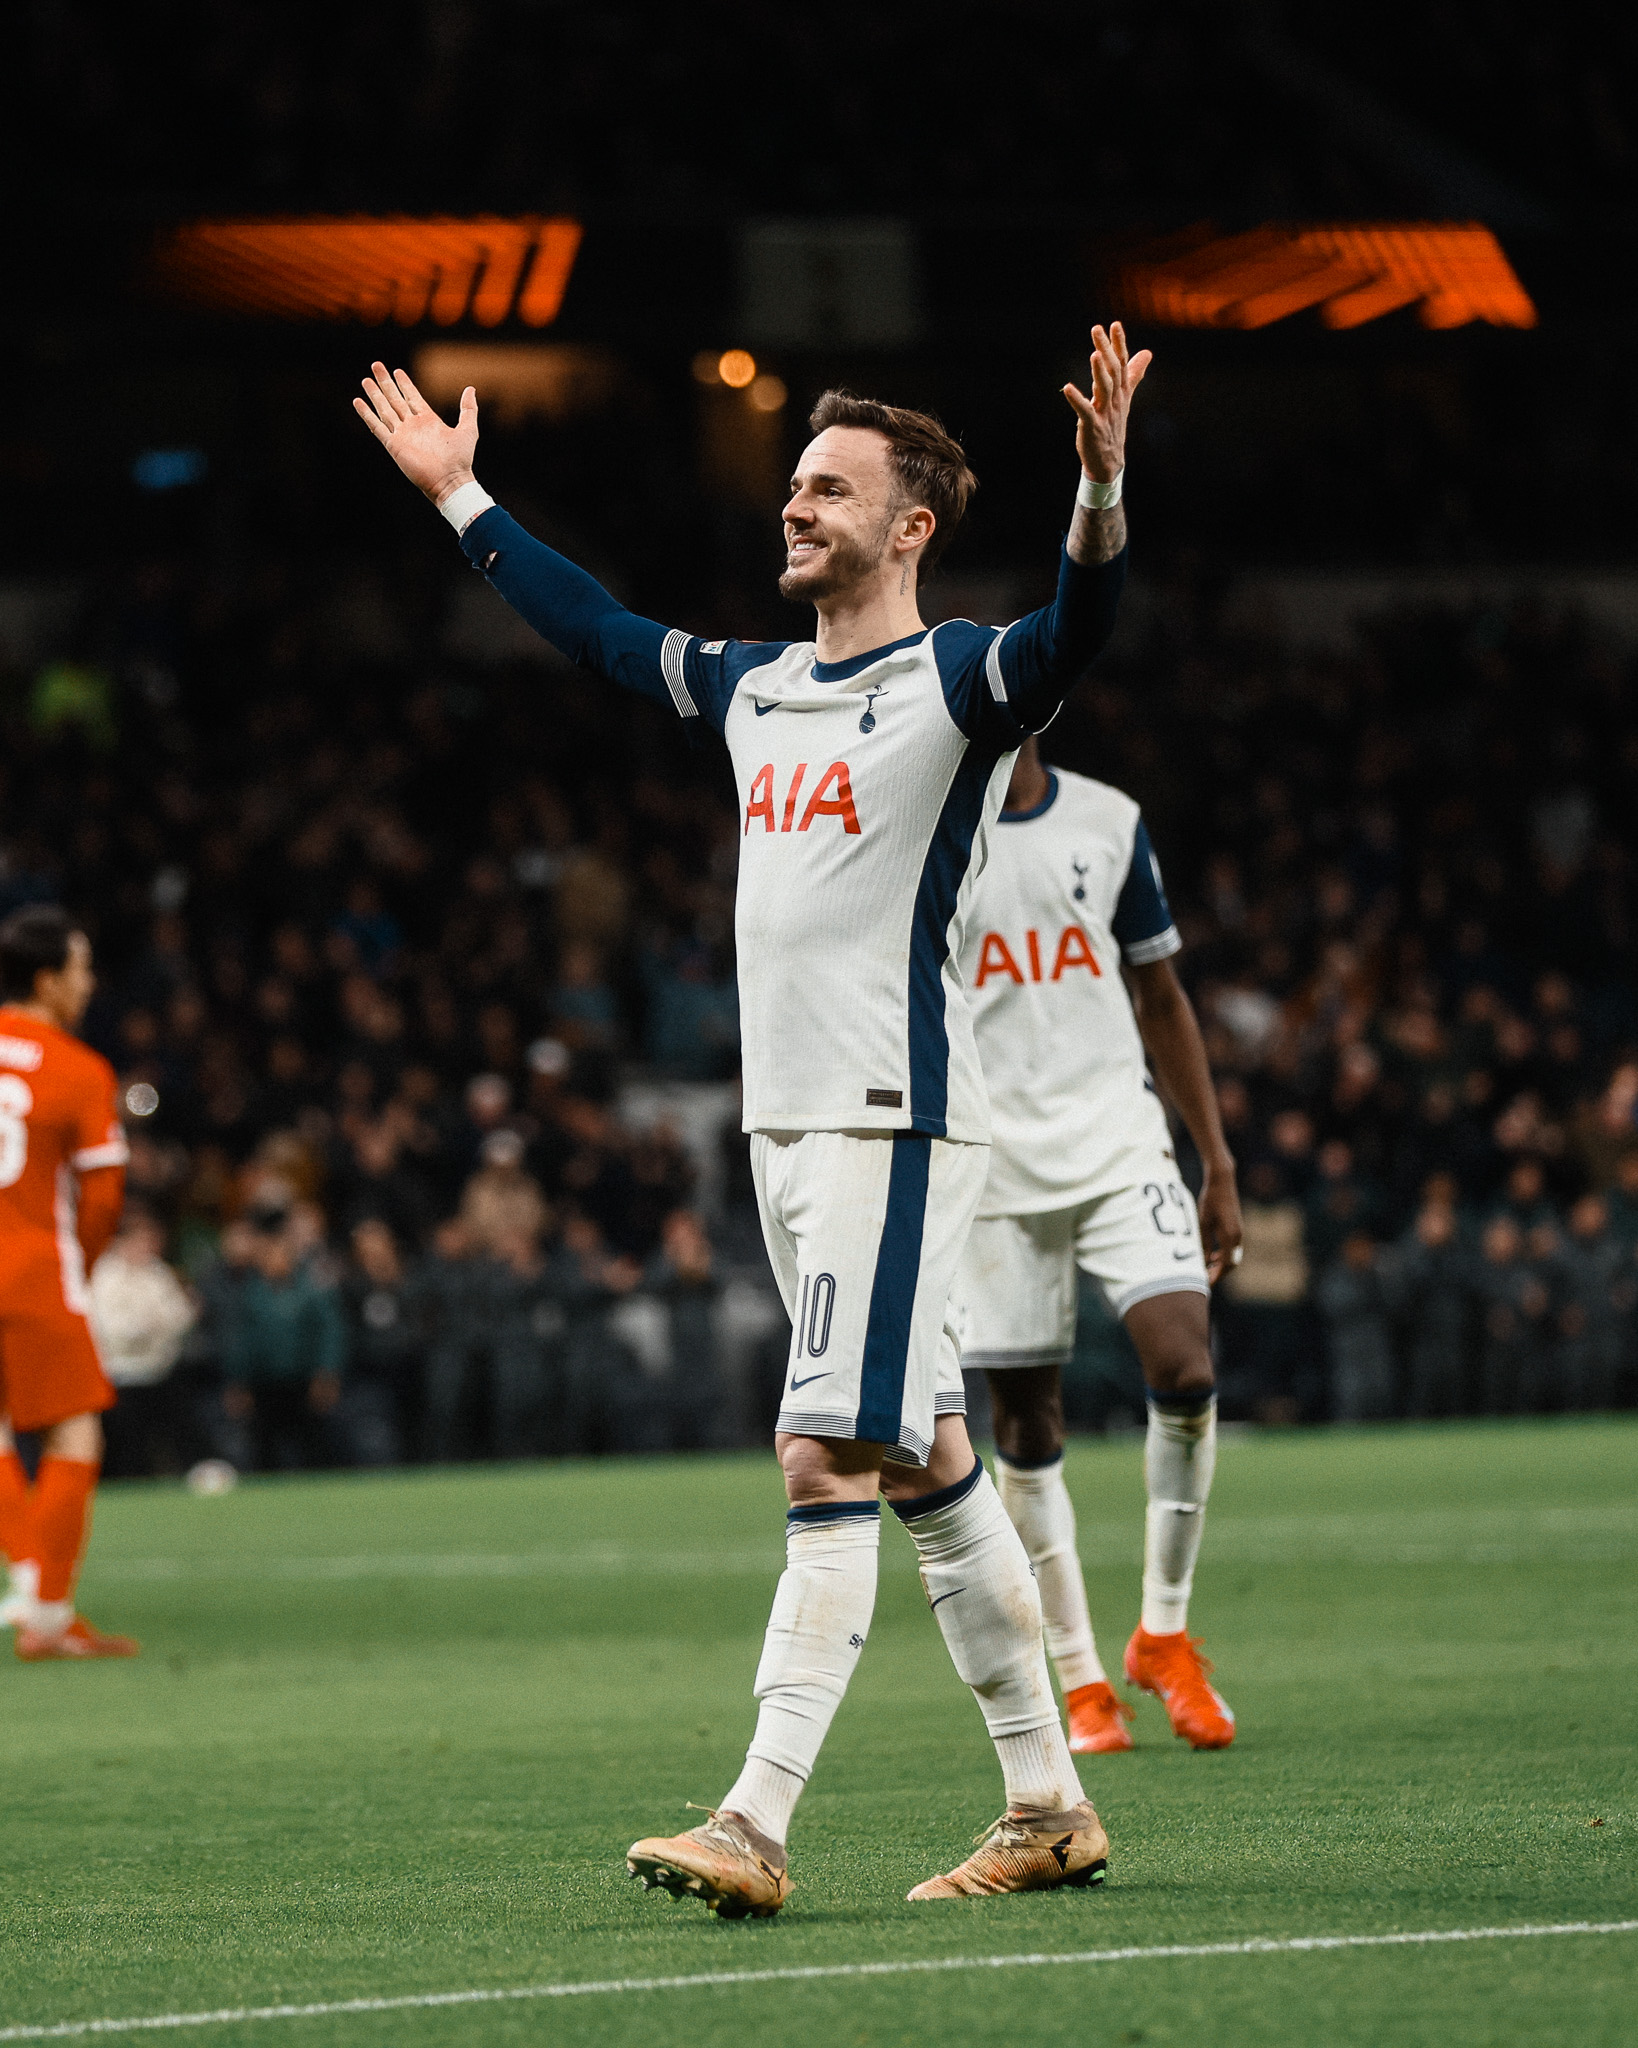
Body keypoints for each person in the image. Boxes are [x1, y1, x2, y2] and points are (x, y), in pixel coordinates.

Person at [356, 319, 1143, 1910]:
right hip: (789, 1131)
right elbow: (592, 628)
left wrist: (1101, 493)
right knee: (924, 1457)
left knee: (816, 1452)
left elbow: (1076, 636)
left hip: (887, 1117)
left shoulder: (953, 676)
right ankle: (1047, 1804)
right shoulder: (756, 687)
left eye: (829, 488)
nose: (793, 506)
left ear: (909, 525)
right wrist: (461, 496)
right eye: (793, 483)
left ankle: (755, 1819)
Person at [948, 743, 1242, 1755]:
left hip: (1118, 1136)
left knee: (1186, 1363)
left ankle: (1164, 1631)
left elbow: (1161, 995)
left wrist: (1218, 1159)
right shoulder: (937, 822)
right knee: (1027, 1418)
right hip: (992, 1156)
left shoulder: (1110, 820)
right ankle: (1081, 1681)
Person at [0, 905, 138, 1659]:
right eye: (81, 969)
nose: (88, 985)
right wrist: (77, 1265)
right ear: (48, 979)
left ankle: (27, 1576)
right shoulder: (78, 1068)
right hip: (32, 1271)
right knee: (75, 1427)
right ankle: (47, 1615)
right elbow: (106, 1195)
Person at [88, 1204, 198, 1478]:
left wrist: (159, 1325)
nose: (147, 1247)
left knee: (173, 1433)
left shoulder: (157, 1274)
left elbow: (179, 1316)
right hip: (120, 1376)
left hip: (158, 1372)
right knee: (124, 1447)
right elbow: (106, 1327)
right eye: (140, 1240)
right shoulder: (105, 1275)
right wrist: (145, 1327)